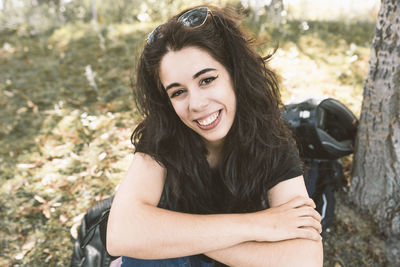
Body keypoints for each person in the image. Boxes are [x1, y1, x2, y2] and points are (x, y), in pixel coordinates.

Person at [106, 5, 323, 267]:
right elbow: (121, 234)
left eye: (207, 80)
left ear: (234, 73)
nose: (196, 104)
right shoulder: (162, 134)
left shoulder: (270, 136)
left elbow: (306, 261)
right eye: (178, 92)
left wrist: (169, 236)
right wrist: (261, 225)